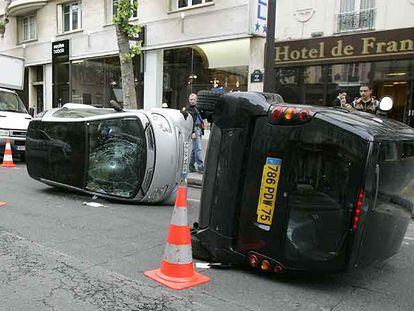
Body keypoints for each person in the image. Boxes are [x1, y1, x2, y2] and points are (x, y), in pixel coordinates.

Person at [186, 93, 205, 174]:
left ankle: (191, 166)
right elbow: (190, 122)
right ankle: (200, 167)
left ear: (196, 100)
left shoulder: (198, 108)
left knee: (195, 149)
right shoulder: (189, 109)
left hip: (199, 129)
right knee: (198, 149)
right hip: (195, 129)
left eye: (194, 99)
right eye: (191, 100)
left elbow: (202, 116)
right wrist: (193, 132)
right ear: (189, 100)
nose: (192, 101)